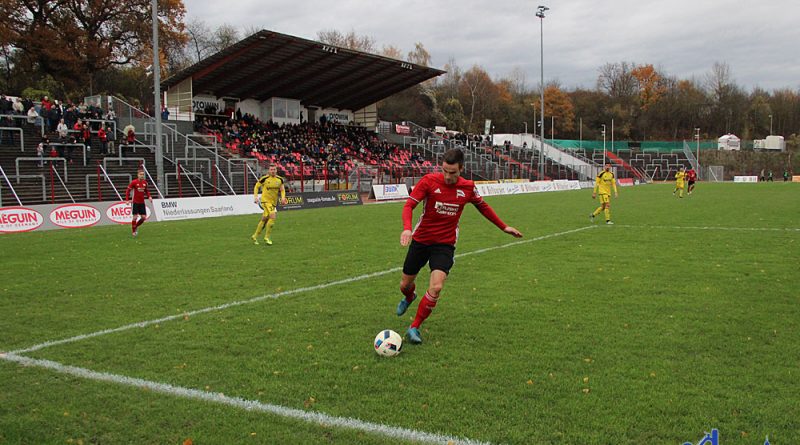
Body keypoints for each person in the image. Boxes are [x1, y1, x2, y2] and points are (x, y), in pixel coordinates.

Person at [396, 148, 523, 344]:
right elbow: (408, 205)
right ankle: (410, 296)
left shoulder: (468, 187)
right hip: (421, 240)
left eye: (452, 172)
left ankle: (414, 327)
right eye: (445, 171)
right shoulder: (429, 181)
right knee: (405, 284)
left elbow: (483, 207)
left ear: (461, 169)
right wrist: (406, 228)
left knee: (436, 287)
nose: (447, 176)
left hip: (445, 244)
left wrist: (503, 226)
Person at [251, 164, 287, 245]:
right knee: (273, 216)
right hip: (265, 201)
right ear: (269, 170)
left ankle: (255, 236)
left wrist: (283, 198)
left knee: (265, 219)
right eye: (271, 169)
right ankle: (267, 237)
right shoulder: (265, 178)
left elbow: (282, 190)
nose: (273, 171)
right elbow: (256, 186)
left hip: (273, 202)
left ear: (276, 170)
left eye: (274, 169)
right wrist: (256, 197)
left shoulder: (280, 179)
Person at [125, 170, 152, 237]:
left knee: (143, 217)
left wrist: (149, 197)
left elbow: (146, 191)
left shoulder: (145, 183)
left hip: (142, 202)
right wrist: (127, 200)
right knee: (135, 217)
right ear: (138, 175)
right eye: (140, 174)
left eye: (143, 174)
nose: (142, 175)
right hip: (135, 202)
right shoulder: (134, 182)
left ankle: (135, 226)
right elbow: (128, 191)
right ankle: (133, 232)